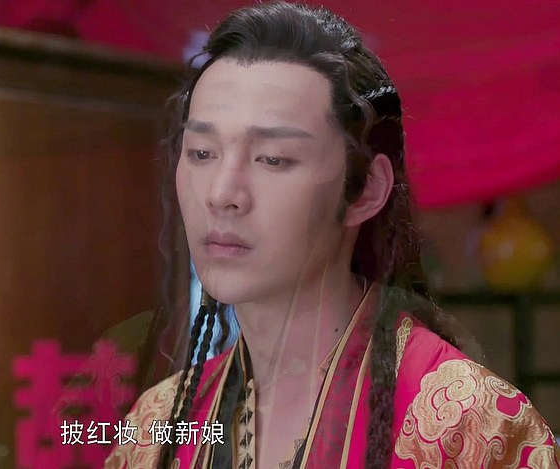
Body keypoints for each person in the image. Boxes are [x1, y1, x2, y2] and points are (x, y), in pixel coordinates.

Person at [103, 2, 560, 468]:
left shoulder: (469, 427)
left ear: (366, 189)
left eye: (273, 158)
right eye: (202, 153)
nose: (222, 194)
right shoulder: (155, 428)